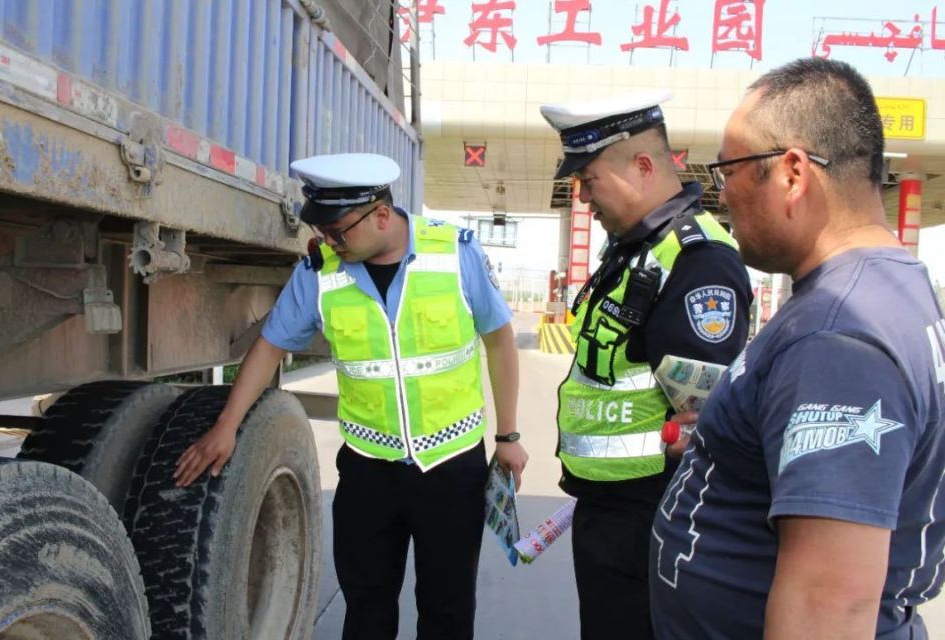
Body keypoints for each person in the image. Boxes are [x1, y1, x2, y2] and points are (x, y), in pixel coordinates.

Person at [173, 152, 528, 640]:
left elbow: (499, 340)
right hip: (368, 472)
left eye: (338, 232)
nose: (328, 242)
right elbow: (270, 345)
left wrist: (508, 435)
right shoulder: (319, 273)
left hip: (451, 465)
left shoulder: (454, 253)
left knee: (447, 611)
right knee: (367, 609)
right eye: (322, 231)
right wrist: (227, 425)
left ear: (380, 215)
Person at [650, 57, 945, 639]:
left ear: (791, 173)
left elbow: (826, 606)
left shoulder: (837, 337)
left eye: (728, 170)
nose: (721, 195)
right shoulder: (884, 289)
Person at [539, 92, 752, 639]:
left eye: (589, 180)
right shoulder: (634, 249)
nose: (583, 197)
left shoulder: (697, 261)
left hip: (651, 519)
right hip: (612, 510)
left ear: (642, 166)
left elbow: (703, 424)